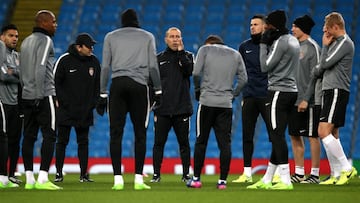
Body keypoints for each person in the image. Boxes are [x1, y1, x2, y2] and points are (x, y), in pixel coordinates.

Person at [99, 8, 162, 190]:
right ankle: (138, 180)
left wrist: (103, 92)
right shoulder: (147, 36)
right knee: (140, 134)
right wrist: (158, 89)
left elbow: (105, 67)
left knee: (115, 133)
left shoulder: (110, 37)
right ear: (137, 21)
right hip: (139, 87)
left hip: (117, 85)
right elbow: (153, 67)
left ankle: (118, 179)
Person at [246, 10, 299, 190]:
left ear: (274, 25)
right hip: (292, 90)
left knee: (276, 136)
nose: (265, 27)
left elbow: (264, 66)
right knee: (279, 135)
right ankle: (268, 178)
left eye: (268, 24)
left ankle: (285, 179)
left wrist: (262, 45)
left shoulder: (281, 41)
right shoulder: (293, 40)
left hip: (278, 91)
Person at [187, 35, 248, 189]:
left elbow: (195, 73)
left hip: (207, 102)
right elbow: (244, 79)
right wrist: (233, 94)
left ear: (209, 43)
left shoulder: (205, 49)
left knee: (201, 141)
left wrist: (197, 89)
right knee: (225, 144)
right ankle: (222, 181)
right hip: (225, 105)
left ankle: (196, 179)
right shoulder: (235, 54)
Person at [313, 12, 357, 185]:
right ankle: (335, 174)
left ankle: (347, 168)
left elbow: (323, 65)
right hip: (329, 89)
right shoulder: (336, 42)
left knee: (322, 131)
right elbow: (318, 69)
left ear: (336, 27)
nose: (325, 33)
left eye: (327, 29)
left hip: (337, 90)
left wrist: (324, 46)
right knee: (332, 132)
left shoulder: (345, 43)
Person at [19, 10, 61, 190]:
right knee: (50, 135)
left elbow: (21, 70)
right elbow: (41, 67)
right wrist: (38, 94)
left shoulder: (26, 41)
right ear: (44, 23)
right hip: (43, 95)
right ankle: (43, 178)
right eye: (53, 21)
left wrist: (27, 92)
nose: (56, 24)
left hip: (27, 95)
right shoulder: (46, 41)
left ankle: (29, 179)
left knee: (28, 137)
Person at [53, 33, 100, 183]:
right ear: (79, 47)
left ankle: (83, 175)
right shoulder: (64, 60)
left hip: (85, 111)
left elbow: (97, 86)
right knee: (62, 141)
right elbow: (56, 82)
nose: (92, 48)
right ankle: (58, 173)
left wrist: (93, 104)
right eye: (89, 46)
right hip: (66, 110)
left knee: (83, 142)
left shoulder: (94, 62)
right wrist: (61, 101)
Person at [232, 14, 272, 183]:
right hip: (249, 96)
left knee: (274, 135)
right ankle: (247, 173)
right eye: (251, 24)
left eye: (256, 24)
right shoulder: (244, 47)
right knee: (247, 135)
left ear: (264, 27)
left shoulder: (271, 46)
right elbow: (240, 71)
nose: (252, 27)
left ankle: (275, 171)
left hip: (267, 95)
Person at [150, 27, 193, 183]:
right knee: (158, 144)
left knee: (184, 144)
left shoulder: (188, 56)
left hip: (182, 109)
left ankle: (186, 174)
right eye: (172, 37)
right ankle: (156, 175)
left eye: (178, 36)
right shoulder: (157, 59)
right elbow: (151, 83)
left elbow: (188, 71)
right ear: (166, 39)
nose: (175, 39)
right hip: (162, 109)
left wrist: (181, 53)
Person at [289, 15, 322, 184]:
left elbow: (315, 76)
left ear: (303, 28)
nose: (292, 29)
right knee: (295, 135)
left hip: (310, 100)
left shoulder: (313, 47)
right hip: (293, 99)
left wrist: (306, 99)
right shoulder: (294, 46)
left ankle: (315, 174)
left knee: (312, 136)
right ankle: (299, 172)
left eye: (295, 26)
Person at [0, 24, 22, 185]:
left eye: (16, 36)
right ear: (2, 37)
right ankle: (2, 174)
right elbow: (3, 77)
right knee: (3, 139)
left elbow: (24, 76)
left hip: (15, 104)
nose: (14, 39)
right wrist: (16, 74)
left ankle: (11, 173)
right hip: (2, 102)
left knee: (15, 140)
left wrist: (12, 72)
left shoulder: (17, 56)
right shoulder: (1, 54)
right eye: (10, 35)